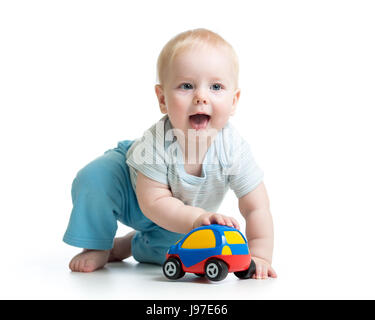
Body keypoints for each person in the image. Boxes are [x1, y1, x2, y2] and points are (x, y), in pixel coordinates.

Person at [63, 28, 277, 279]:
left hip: (183, 211)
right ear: (162, 98)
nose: (201, 97)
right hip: (133, 189)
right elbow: (153, 202)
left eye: (216, 86)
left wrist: (259, 254)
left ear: (234, 101)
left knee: (174, 253)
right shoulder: (156, 142)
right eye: (187, 86)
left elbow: (257, 207)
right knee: (95, 178)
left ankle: (128, 246)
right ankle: (98, 245)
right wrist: (197, 218)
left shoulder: (233, 149)